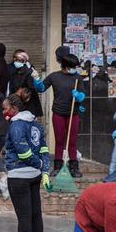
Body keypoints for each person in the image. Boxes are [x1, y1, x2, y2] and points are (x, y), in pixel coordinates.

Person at [3, 93, 51, 232]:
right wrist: (44, 170)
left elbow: (23, 152)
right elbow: (43, 148)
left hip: (19, 177)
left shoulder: (16, 125)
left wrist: (40, 164)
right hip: (34, 176)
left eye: (5, 108)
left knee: (24, 217)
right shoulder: (35, 124)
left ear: (14, 108)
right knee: (36, 214)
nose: (3, 112)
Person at [36, 50, 85, 178]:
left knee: (72, 141)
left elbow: (82, 95)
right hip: (58, 112)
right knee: (59, 140)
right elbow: (41, 88)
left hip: (73, 113)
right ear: (65, 65)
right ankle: (57, 166)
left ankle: (73, 167)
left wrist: (79, 96)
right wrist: (36, 79)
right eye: (73, 67)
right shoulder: (54, 76)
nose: (75, 69)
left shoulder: (77, 78)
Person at [8, 49, 43, 118]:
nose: (15, 61)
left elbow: (32, 88)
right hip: (18, 104)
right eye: (15, 59)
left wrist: (21, 92)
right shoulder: (15, 70)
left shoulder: (29, 71)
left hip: (28, 105)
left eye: (18, 60)